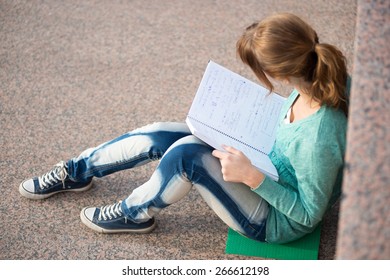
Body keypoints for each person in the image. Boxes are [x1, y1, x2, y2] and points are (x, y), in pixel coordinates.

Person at [19, 13, 349, 244]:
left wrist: (252, 177)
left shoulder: (319, 135)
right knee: (168, 134)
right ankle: (78, 170)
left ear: (281, 73)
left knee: (187, 156)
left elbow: (308, 215)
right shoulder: (316, 74)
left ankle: (134, 213)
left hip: (275, 219)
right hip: (268, 157)